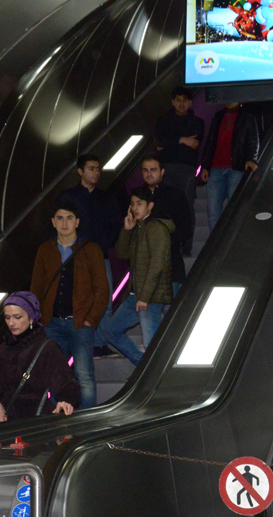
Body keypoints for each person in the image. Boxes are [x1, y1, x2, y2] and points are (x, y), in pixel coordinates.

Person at [30, 202, 109, 410]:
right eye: (60, 218)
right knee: (55, 377)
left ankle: (87, 424)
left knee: (84, 376)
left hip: (80, 324)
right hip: (52, 324)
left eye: (69, 218)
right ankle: (61, 425)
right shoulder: (45, 249)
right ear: (53, 222)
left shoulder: (91, 249)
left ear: (77, 222)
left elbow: (102, 289)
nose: (65, 223)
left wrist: (91, 319)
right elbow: (36, 288)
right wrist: (38, 320)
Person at [100, 187, 175, 365]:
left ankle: (150, 377)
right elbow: (121, 253)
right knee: (110, 330)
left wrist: (145, 297)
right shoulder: (140, 227)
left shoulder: (156, 227)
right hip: (136, 294)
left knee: (150, 344)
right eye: (132, 204)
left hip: (150, 296)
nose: (135, 208)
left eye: (139, 204)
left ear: (150, 206)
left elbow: (157, 264)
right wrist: (127, 230)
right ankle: (144, 368)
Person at [0, 292, 80, 423]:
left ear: (31, 317)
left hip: (36, 421)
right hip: (6, 421)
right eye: (7, 317)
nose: (11, 323)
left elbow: (68, 386)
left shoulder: (46, 347)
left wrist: (65, 402)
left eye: (17, 317)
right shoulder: (4, 348)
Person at [55, 154, 122, 292]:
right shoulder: (69, 197)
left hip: (100, 256)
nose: (96, 173)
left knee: (104, 302)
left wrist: (106, 242)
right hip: (74, 257)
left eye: (98, 169)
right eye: (91, 169)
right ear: (80, 171)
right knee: (77, 300)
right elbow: (57, 225)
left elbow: (116, 224)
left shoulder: (106, 198)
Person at [200, 102, 260, 230]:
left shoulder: (247, 117)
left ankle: (230, 244)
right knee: (213, 211)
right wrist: (205, 165)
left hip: (236, 168)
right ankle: (215, 245)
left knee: (235, 210)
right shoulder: (218, 116)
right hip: (215, 168)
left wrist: (251, 159)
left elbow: (253, 141)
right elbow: (211, 142)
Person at [141, 155, 193, 296]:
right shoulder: (137, 196)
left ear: (162, 172)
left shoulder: (175, 195)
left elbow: (186, 225)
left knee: (170, 309)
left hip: (170, 262)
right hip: (143, 265)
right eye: (145, 170)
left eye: (153, 170)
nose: (149, 173)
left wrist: (171, 242)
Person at [154, 87, 205, 230]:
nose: (181, 104)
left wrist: (170, 141)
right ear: (173, 102)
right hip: (166, 168)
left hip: (186, 168)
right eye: (178, 100)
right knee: (166, 205)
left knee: (186, 206)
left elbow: (194, 143)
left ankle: (186, 244)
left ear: (190, 102)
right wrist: (182, 139)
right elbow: (159, 142)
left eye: (184, 100)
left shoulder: (197, 122)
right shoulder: (163, 120)